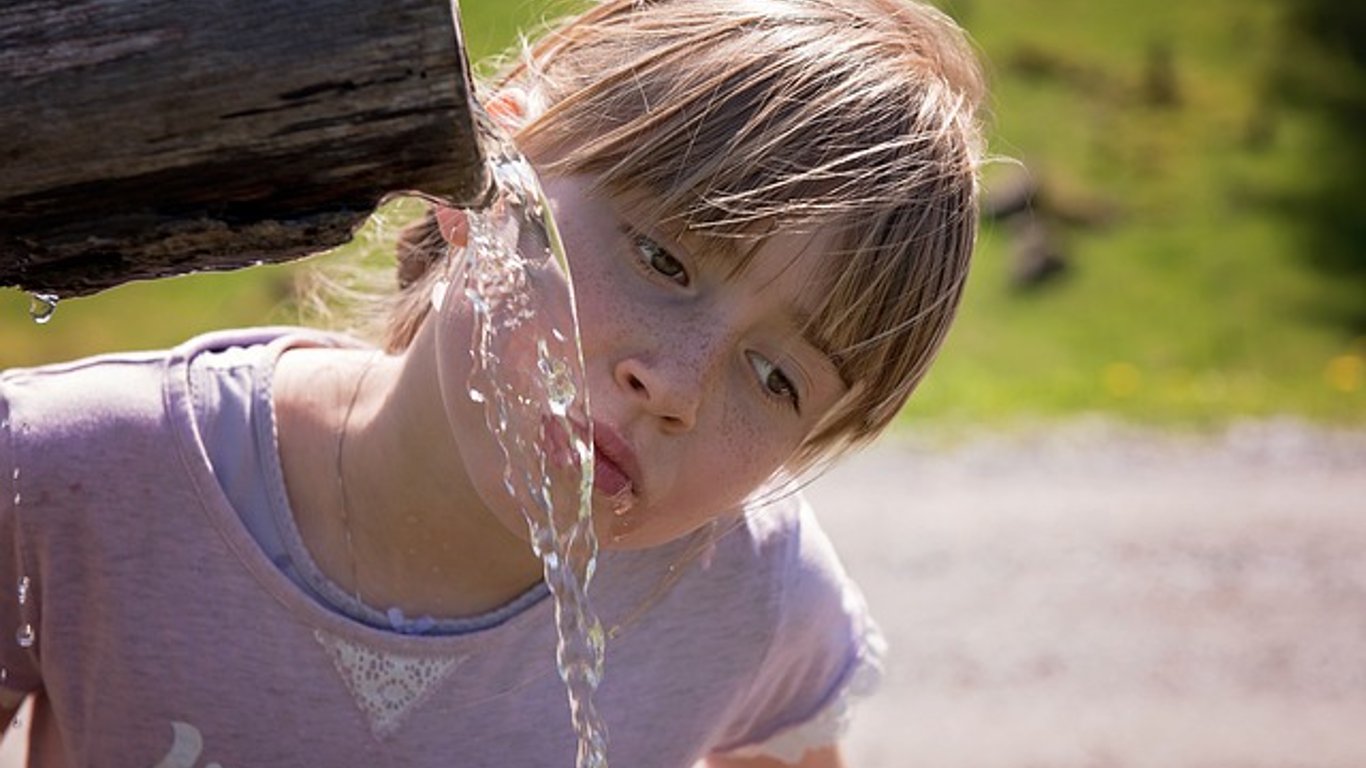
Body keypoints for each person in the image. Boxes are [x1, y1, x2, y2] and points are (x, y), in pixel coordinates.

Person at [0, 0, 984, 764]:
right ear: (489, 169)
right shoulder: (72, 478)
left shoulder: (746, 592)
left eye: (774, 378)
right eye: (664, 261)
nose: (675, 387)